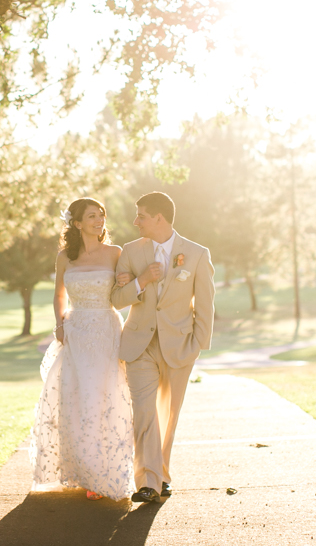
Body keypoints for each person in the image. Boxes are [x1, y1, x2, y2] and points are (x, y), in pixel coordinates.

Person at [110, 192, 215, 503]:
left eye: (141, 215)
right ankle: (147, 482)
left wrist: (197, 344)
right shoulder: (129, 251)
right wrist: (141, 281)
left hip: (180, 346)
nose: (135, 221)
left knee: (168, 414)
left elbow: (206, 304)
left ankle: (162, 476)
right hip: (139, 345)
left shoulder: (196, 254)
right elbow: (116, 300)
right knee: (144, 413)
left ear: (159, 218)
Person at [29, 197, 135, 501]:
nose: (99, 220)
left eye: (101, 215)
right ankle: (81, 471)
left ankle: (104, 474)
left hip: (105, 330)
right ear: (76, 223)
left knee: (104, 398)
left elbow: (125, 290)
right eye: (91, 216)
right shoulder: (65, 257)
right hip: (76, 332)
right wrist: (60, 325)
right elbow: (59, 295)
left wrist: (126, 279)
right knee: (76, 399)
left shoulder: (116, 253)